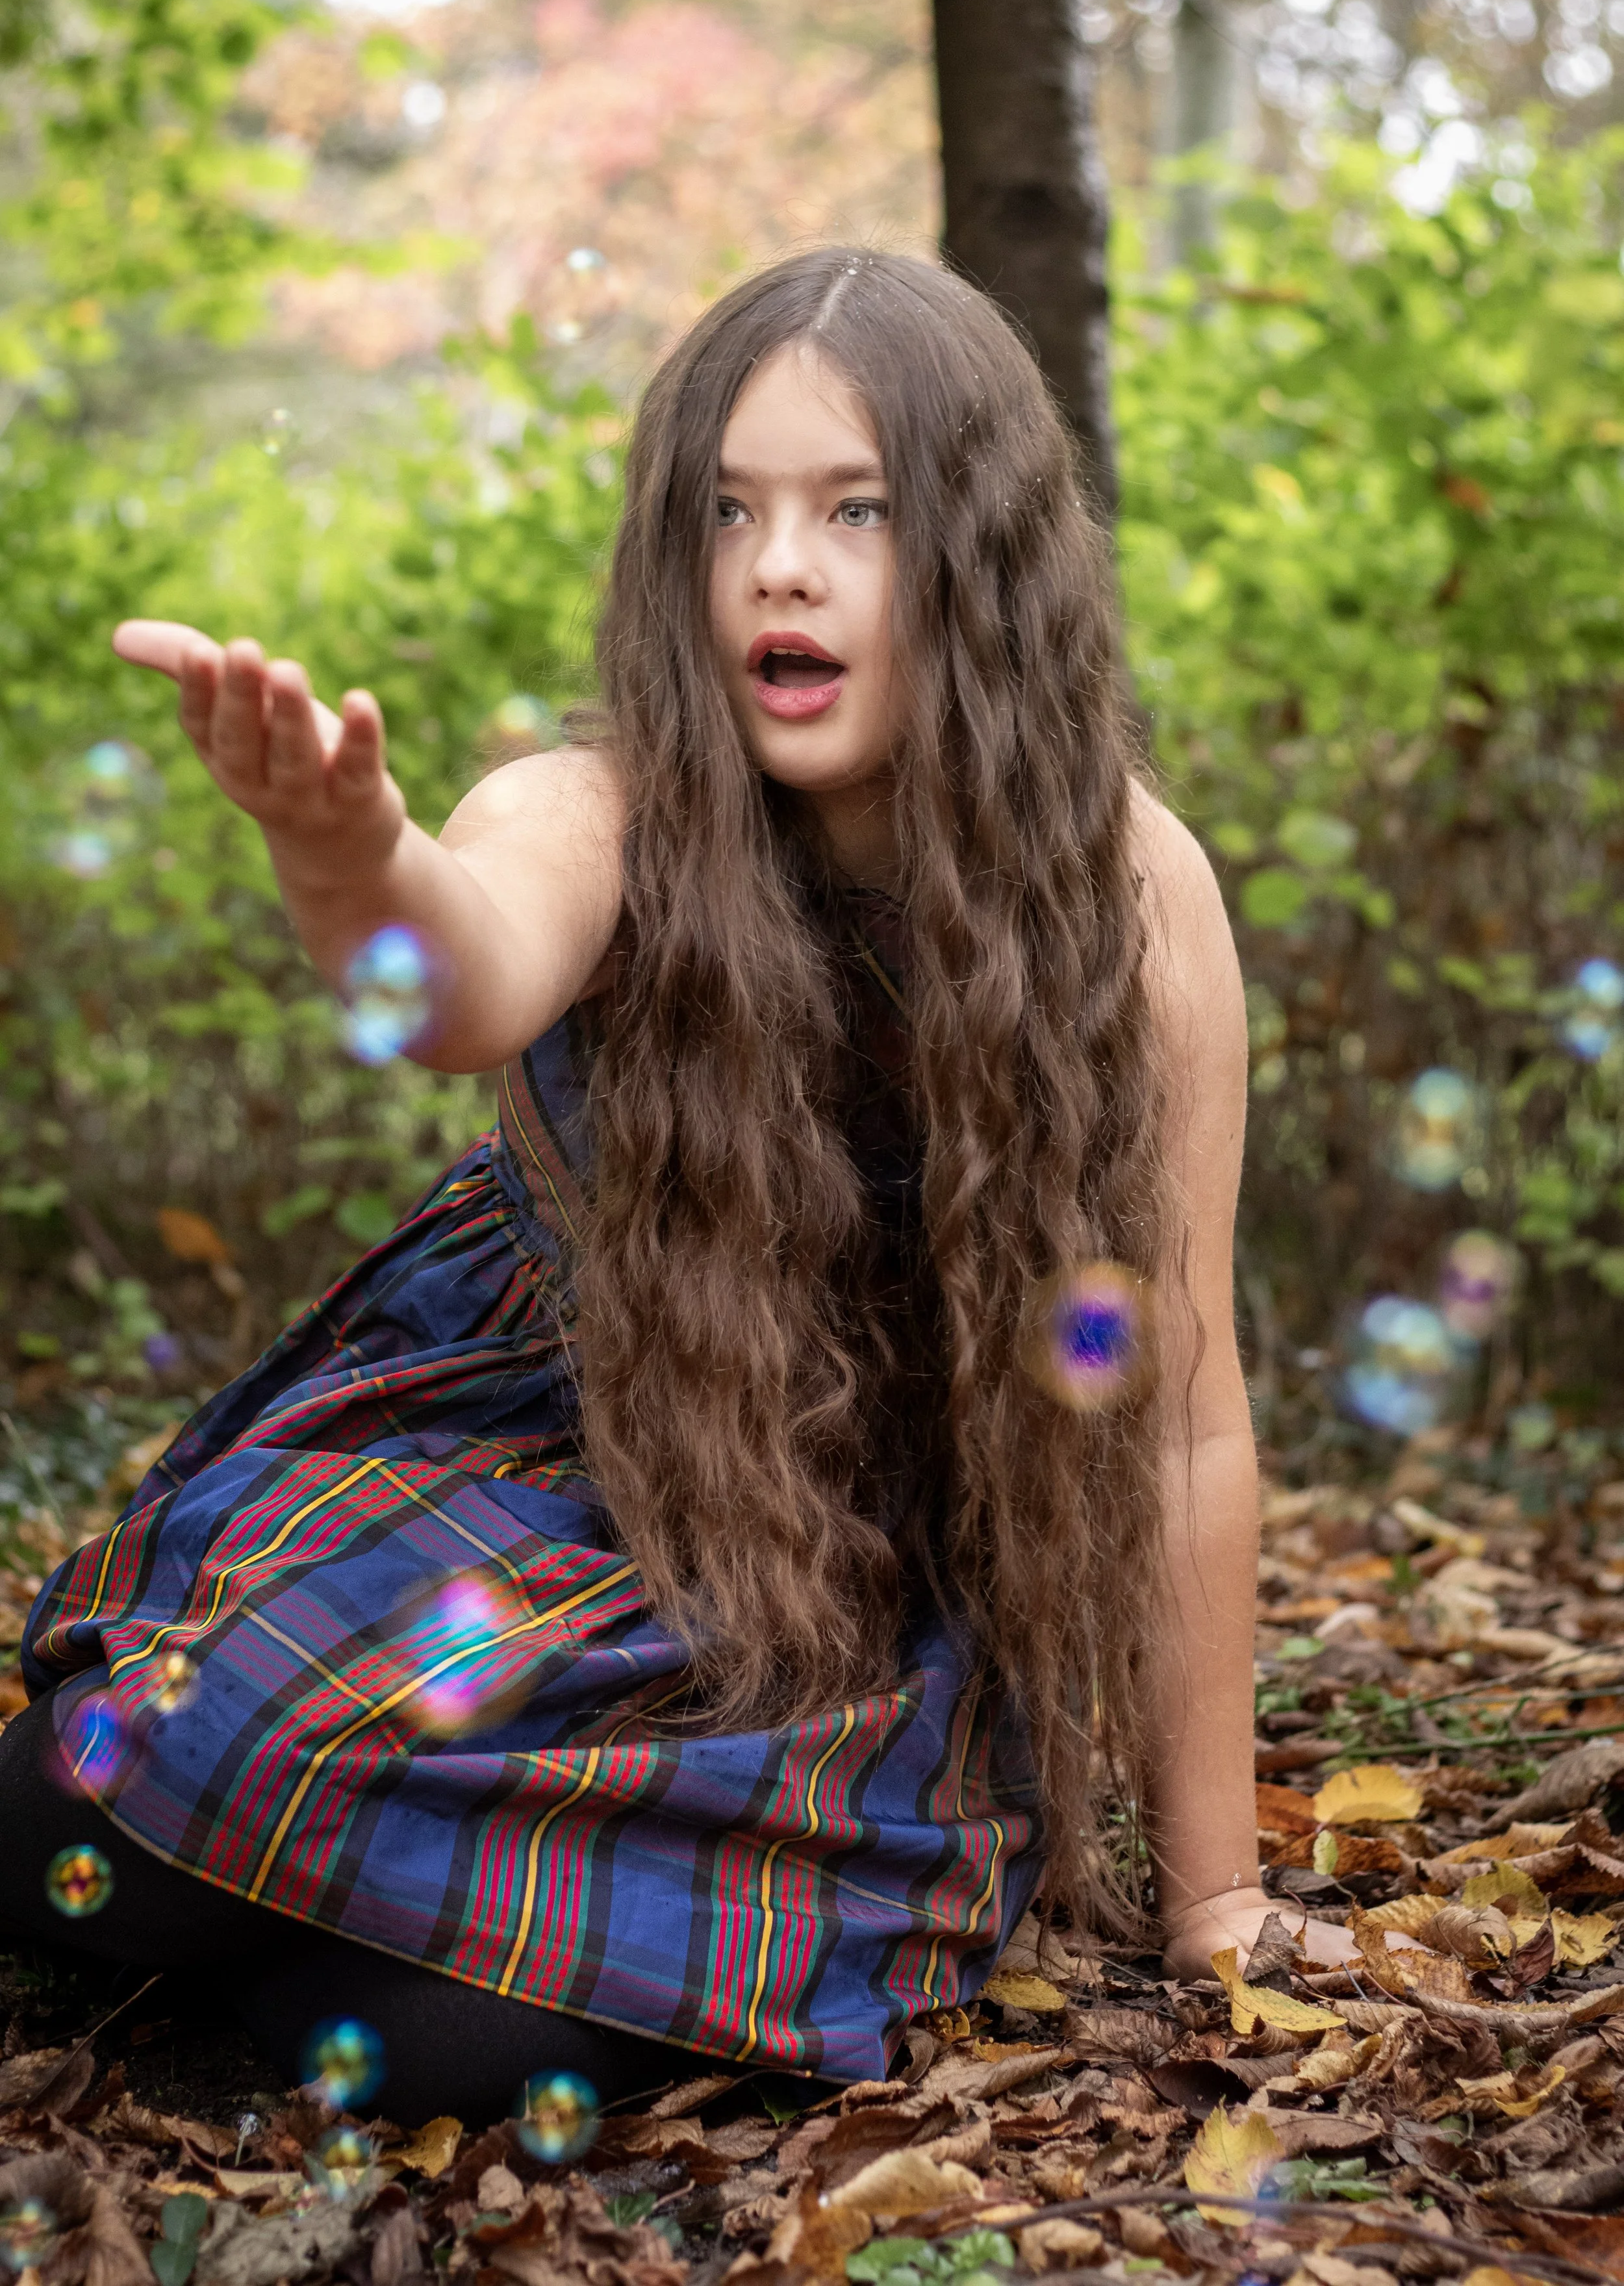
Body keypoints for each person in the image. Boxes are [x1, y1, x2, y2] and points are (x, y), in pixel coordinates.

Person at [2, 249, 1349, 2131]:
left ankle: (368, 1949)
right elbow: (452, 981)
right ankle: (297, 1914)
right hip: (533, 1462)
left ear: (985, 557)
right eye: (729, 510)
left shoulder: (1126, 896)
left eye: (854, 511)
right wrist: (346, 852)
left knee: (462, 2046)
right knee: (86, 1802)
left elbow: (1178, 1405)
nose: (776, 565)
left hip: (842, 1601)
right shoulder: (597, 808)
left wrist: (1216, 1895)